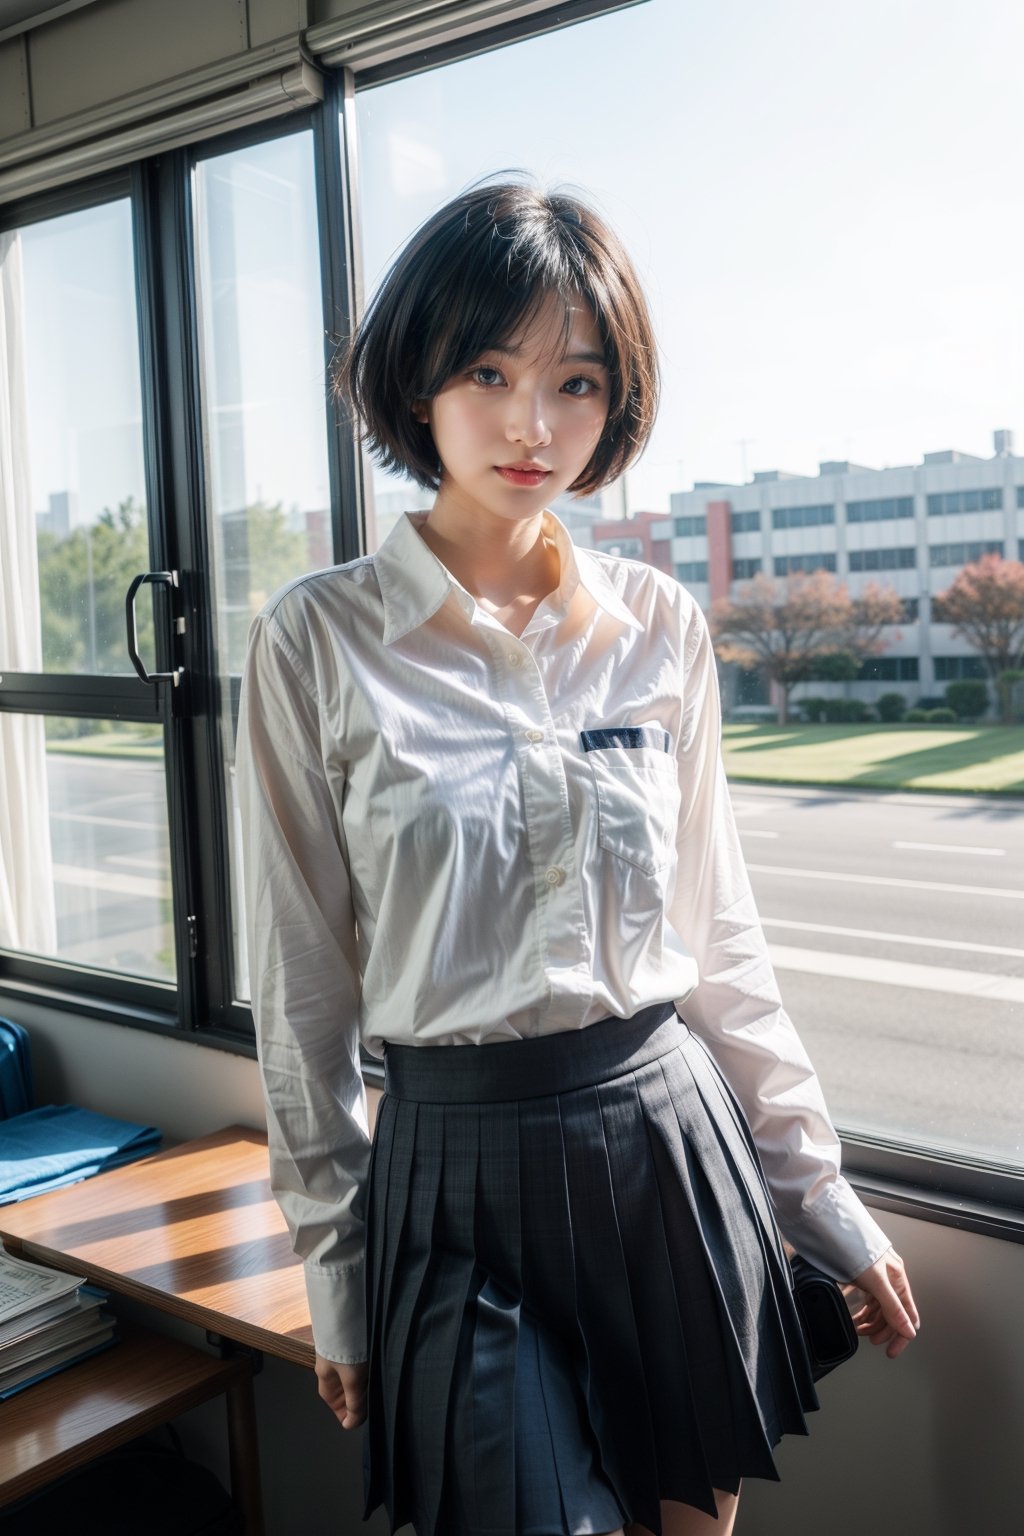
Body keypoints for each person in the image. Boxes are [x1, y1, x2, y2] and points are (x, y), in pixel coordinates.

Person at [236, 179, 919, 1536]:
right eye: (490, 370)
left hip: (665, 1144)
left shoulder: (660, 626)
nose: (532, 423)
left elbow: (719, 941)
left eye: (578, 380)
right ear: (415, 376)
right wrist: (337, 1270)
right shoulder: (316, 639)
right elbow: (301, 994)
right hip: (452, 1178)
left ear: (618, 406)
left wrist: (822, 1197)